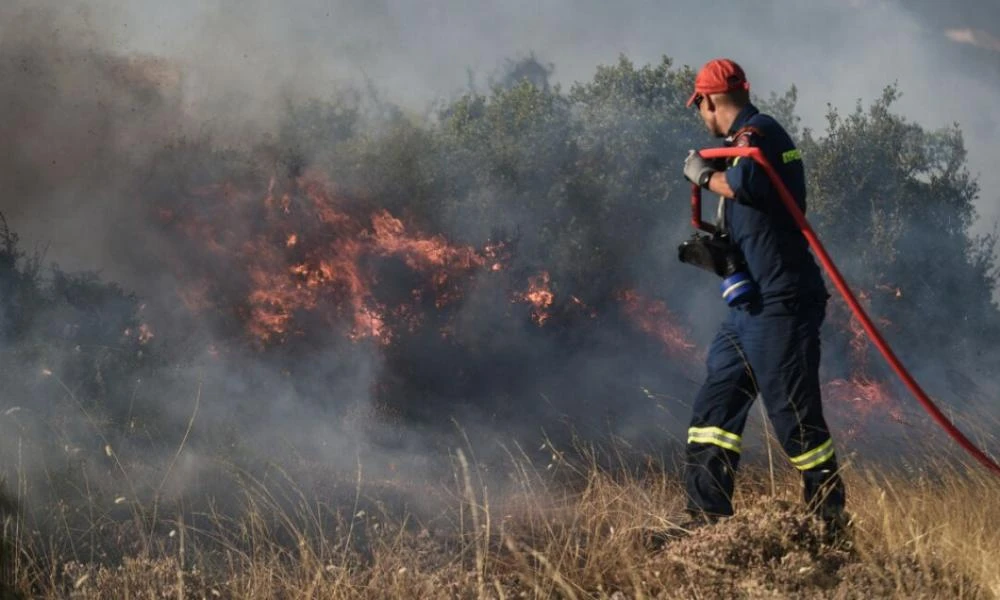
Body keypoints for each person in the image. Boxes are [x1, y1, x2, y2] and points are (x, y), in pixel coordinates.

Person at [675, 58, 846, 535]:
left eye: (700, 106)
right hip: (748, 307)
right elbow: (747, 215)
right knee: (715, 407)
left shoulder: (761, 134)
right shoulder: (736, 148)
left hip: (783, 303)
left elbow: (749, 184)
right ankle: (705, 522)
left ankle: (828, 523)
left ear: (708, 101)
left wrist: (703, 177)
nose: (701, 114)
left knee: (794, 416)